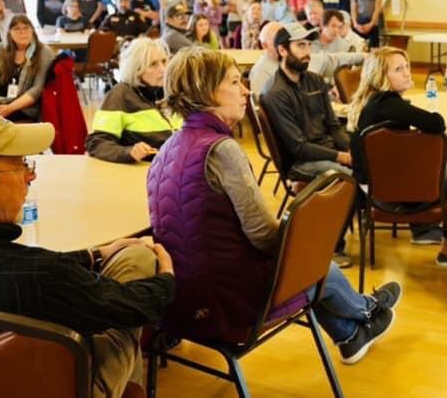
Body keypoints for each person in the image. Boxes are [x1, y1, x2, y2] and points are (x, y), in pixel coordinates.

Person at [148, 47, 400, 363]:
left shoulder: (167, 147)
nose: (245, 91)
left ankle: (350, 334)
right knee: (318, 263)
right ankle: (367, 310)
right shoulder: (222, 150)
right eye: (235, 82)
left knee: (309, 260)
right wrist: (303, 239)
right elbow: (264, 237)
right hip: (228, 306)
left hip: (180, 301)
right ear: (207, 92)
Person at [0, 114, 176, 398]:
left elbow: (35, 266)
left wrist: (94, 255)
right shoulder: (42, 277)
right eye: (21, 163)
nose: (32, 175)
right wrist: (165, 275)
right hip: (56, 385)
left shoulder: (22, 268)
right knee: (136, 262)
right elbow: (134, 306)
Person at [348, 48, 447, 263]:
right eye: (399, 69)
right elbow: (436, 123)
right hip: (397, 196)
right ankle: (443, 241)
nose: (407, 73)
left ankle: (438, 238)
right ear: (381, 76)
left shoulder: (372, 103)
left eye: (407, 67)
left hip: (375, 192)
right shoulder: (389, 103)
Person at [260, 24, 355, 266]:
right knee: (345, 177)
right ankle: (332, 246)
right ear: (282, 50)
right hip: (299, 163)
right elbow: (298, 148)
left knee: (368, 155)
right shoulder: (274, 92)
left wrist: (349, 149)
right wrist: (342, 157)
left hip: (325, 149)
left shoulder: (314, 80)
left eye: (308, 45)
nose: (307, 51)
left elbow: (334, 125)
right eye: (300, 45)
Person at [87, 37, 180, 163]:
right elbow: (97, 143)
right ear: (136, 71)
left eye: (164, 61)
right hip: (143, 172)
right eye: (153, 64)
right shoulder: (121, 95)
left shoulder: (173, 91)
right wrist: (129, 152)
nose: (163, 69)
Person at [0, 15, 55, 122]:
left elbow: (37, 89)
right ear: (9, 34)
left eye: (26, 27)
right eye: (16, 28)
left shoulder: (44, 52)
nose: (22, 32)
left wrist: (9, 108)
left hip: (24, 108)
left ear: (33, 31)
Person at [248, 21, 284, 99]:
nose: (283, 45)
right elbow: (259, 105)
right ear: (265, 45)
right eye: (278, 41)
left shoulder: (284, 62)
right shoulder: (261, 71)